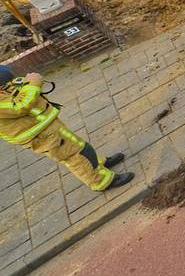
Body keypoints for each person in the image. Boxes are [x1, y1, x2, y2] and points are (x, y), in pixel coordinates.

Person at [0, 66, 133, 191]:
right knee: (76, 155)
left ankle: (98, 164)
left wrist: (24, 83)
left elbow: (13, 92)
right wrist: (33, 84)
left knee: (80, 148)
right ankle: (101, 181)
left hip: (46, 128)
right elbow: (21, 105)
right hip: (40, 136)